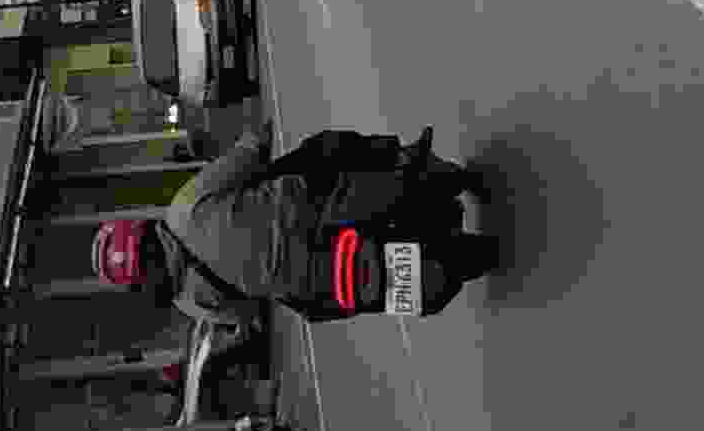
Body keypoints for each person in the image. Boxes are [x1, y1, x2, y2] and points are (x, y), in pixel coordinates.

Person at [111, 121, 492, 324]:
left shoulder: (189, 302)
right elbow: (248, 157)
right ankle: (403, 159)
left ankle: (437, 256)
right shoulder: (184, 209)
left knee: (334, 304)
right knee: (329, 147)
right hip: (313, 206)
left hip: (311, 283)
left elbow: (245, 312)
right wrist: (256, 136)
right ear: (142, 230)